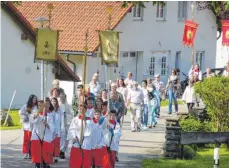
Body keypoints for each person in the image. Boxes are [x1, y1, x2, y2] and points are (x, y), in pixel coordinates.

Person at [30, 98, 55, 168]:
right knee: (36, 153)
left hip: (45, 136)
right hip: (36, 135)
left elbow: (53, 127)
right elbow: (32, 120)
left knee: (45, 153)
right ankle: (37, 165)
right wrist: (38, 114)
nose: (40, 107)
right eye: (39, 105)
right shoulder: (35, 112)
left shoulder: (49, 115)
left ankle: (45, 164)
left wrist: (47, 124)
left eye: (42, 105)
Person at [19, 94, 38, 159]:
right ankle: (26, 153)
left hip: (34, 126)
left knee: (32, 140)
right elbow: (20, 112)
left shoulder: (36, 107)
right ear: (31, 99)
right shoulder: (26, 106)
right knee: (26, 140)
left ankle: (31, 153)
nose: (35, 100)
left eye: (35, 99)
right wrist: (25, 117)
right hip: (27, 126)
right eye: (33, 99)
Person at [59, 92, 73, 159]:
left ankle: (63, 151)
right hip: (60, 124)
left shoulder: (68, 105)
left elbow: (72, 114)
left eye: (63, 96)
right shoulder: (58, 105)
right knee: (61, 137)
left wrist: (66, 115)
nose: (62, 98)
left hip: (67, 123)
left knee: (66, 138)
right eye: (61, 97)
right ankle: (60, 150)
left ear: (65, 97)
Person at [51, 97, 65, 163]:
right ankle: (51, 157)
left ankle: (54, 157)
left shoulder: (59, 110)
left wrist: (62, 127)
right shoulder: (50, 109)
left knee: (56, 143)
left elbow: (62, 119)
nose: (53, 103)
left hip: (57, 128)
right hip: (51, 129)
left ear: (56, 102)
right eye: (52, 101)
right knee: (51, 143)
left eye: (55, 101)